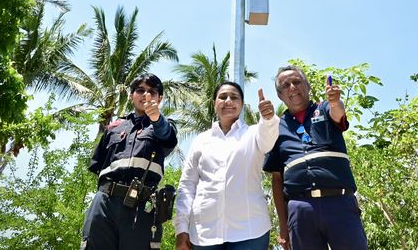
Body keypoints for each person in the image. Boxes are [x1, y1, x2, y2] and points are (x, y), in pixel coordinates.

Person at [262, 65, 368, 250]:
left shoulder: (324, 107)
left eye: (297, 82)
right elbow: (277, 180)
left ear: (308, 86)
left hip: (340, 204)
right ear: (280, 95)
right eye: (285, 85)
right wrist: (283, 226)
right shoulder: (277, 127)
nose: (292, 87)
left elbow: (338, 112)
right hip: (300, 210)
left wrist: (335, 102)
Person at [174, 81, 279, 250]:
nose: (228, 101)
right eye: (222, 97)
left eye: (234, 97)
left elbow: (269, 137)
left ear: (242, 105)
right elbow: (187, 186)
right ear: (214, 103)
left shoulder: (253, 134)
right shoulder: (201, 140)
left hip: (250, 232)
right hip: (204, 233)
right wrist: (181, 228)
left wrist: (268, 119)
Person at [81, 72, 178, 250]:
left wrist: (156, 118)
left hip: (142, 207)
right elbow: (98, 164)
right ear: (131, 95)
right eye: (140, 90)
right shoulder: (114, 127)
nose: (145, 95)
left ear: (160, 98)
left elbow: (167, 136)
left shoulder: (163, 125)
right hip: (104, 204)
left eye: (152, 92)